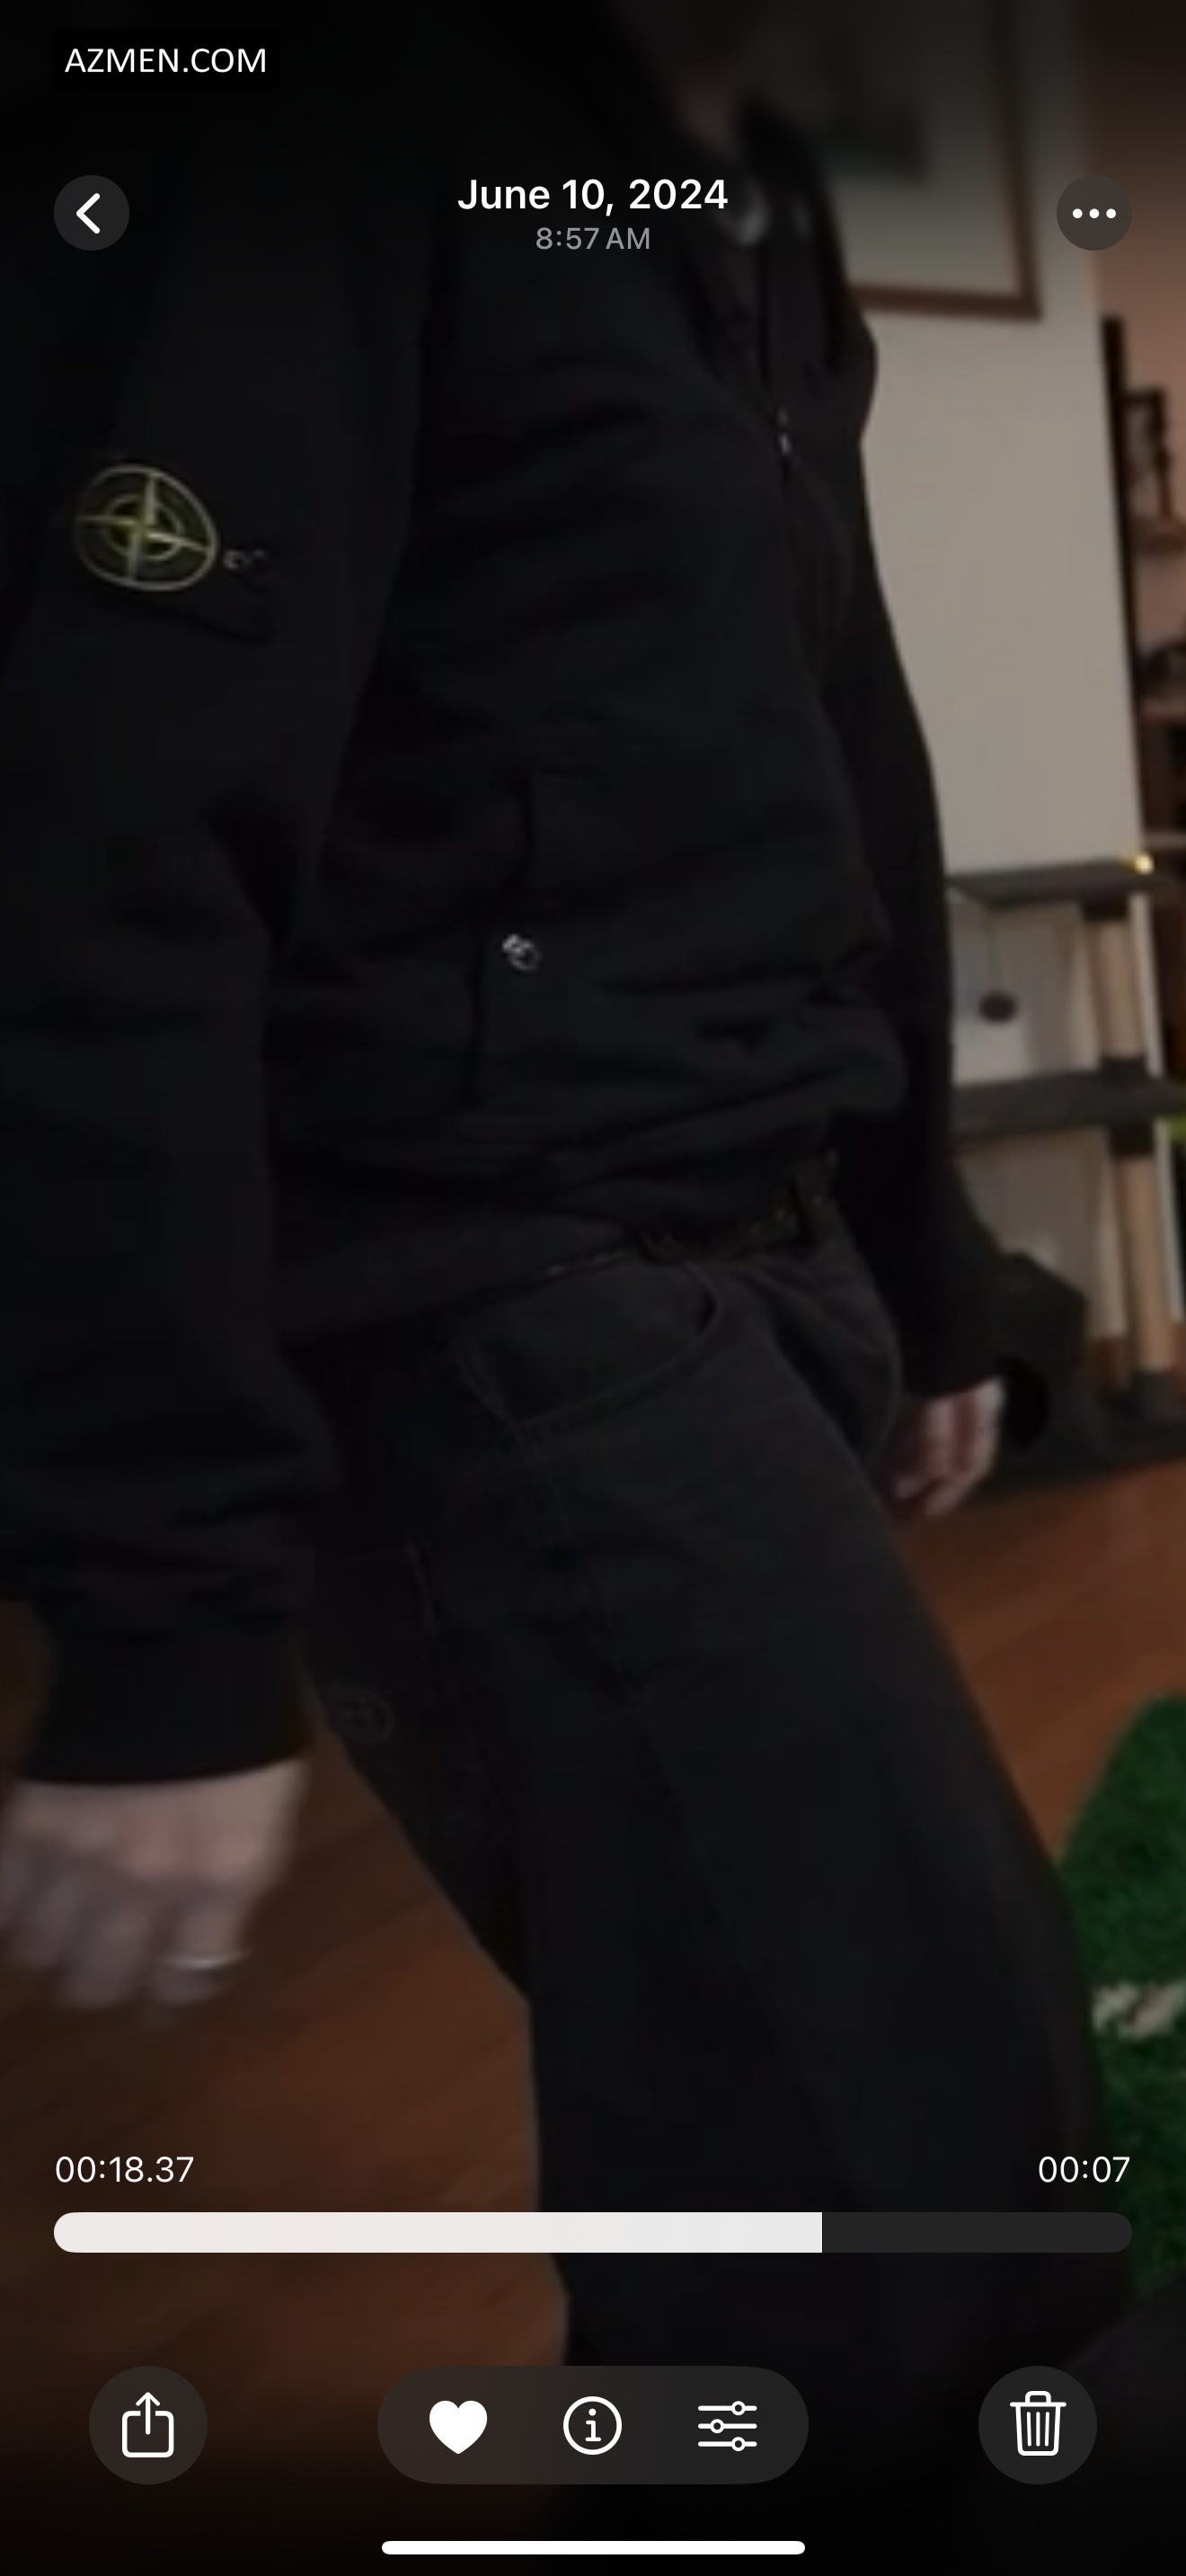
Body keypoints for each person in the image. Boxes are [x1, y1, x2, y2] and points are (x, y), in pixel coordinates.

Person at [0, 0, 1124, 2518]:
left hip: (751, 1251)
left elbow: (841, 745)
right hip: (481, 1298)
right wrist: (157, 1612)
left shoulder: (752, 200)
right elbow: (102, 854)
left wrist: (920, 1253)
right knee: (907, 2188)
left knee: (828, 2138)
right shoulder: (326, 137)